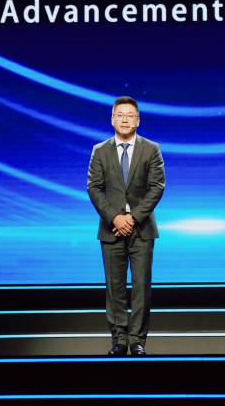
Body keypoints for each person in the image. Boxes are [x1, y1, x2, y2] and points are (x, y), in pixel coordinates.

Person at [86, 96, 166, 356]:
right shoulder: (100, 150)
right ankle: (119, 341)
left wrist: (132, 218)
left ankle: (138, 341)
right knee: (114, 288)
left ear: (137, 121)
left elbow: (157, 187)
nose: (124, 119)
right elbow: (94, 188)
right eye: (120, 115)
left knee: (141, 287)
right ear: (112, 120)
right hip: (111, 230)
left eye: (130, 115)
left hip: (142, 230)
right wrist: (115, 218)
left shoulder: (151, 149)